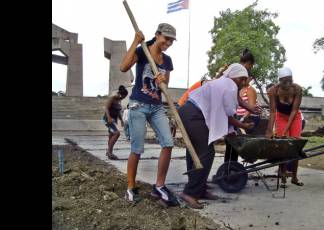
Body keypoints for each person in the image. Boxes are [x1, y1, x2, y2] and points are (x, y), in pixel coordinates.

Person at [178, 63, 254, 209]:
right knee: (206, 152)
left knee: (195, 151)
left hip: (189, 112)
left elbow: (233, 105)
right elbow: (227, 115)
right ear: (233, 76)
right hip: (194, 114)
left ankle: (199, 189)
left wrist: (249, 108)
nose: (244, 83)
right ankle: (190, 192)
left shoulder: (224, 83)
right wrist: (243, 126)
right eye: (241, 79)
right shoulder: (230, 85)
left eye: (245, 80)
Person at [119, 23, 179, 206]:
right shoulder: (142, 51)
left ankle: (159, 186)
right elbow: (123, 67)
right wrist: (136, 41)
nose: (168, 43)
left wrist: (162, 81)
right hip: (138, 105)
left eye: (171, 40)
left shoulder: (167, 60)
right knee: (137, 148)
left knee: (168, 143)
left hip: (156, 107)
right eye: (165, 38)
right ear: (157, 35)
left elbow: (165, 84)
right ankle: (130, 188)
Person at [265, 67, 304, 187]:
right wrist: (269, 130)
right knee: (282, 146)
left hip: (295, 117)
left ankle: (294, 177)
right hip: (281, 117)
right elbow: (272, 112)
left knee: (295, 145)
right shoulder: (273, 91)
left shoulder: (297, 89)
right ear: (279, 81)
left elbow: (294, 110)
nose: (287, 84)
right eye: (284, 81)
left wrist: (287, 130)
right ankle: (282, 176)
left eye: (290, 81)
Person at [103, 85, 128, 160]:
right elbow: (106, 108)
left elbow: (118, 112)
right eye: (124, 96)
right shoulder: (112, 98)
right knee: (117, 133)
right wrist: (109, 117)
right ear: (121, 94)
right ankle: (110, 153)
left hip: (114, 120)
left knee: (111, 135)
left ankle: (109, 152)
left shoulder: (118, 100)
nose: (124, 98)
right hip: (107, 119)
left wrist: (121, 120)